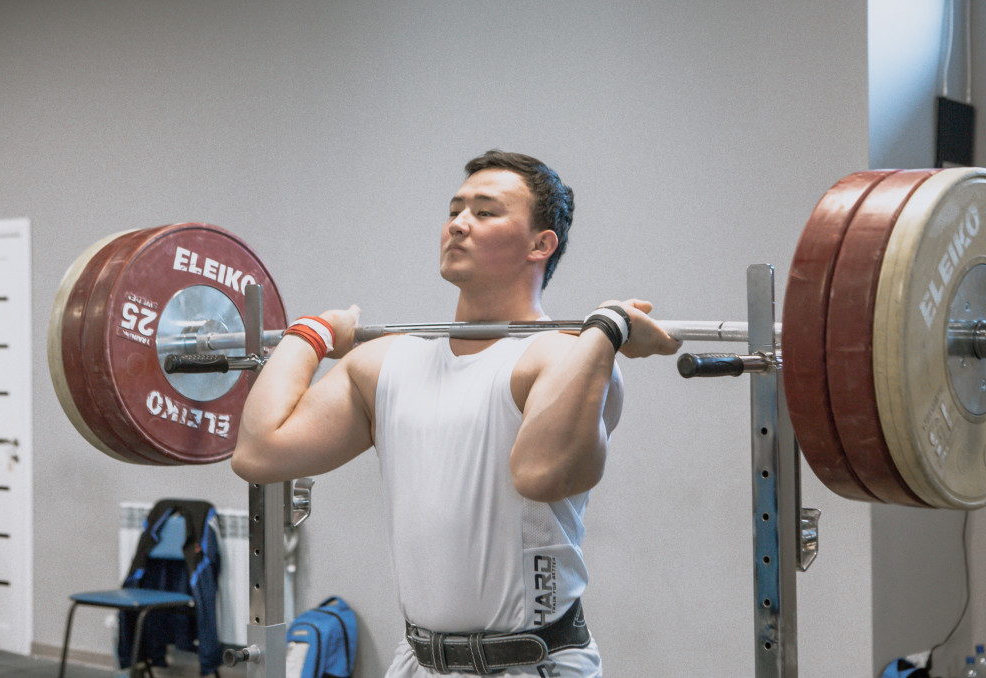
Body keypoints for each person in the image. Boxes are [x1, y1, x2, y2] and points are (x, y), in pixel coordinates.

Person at [232, 150, 680, 676]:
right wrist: (313, 333)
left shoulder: (560, 356)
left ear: (541, 244)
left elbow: (542, 474)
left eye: (485, 212)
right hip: (418, 662)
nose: (459, 224)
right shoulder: (386, 362)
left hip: (531, 665)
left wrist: (606, 328)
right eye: (454, 211)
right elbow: (259, 451)